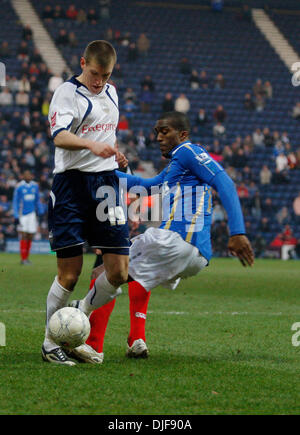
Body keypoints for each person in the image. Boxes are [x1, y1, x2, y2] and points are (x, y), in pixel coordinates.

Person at [66, 111, 254, 364]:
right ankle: (136, 339)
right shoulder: (175, 167)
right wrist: (102, 174)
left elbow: (225, 183)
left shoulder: (189, 151)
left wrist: (238, 231)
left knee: (105, 271)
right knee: (136, 278)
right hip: (194, 257)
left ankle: (88, 337)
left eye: (165, 131)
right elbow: (144, 186)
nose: (158, 137)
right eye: (156, 132)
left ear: (183, 134)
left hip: (176, 241)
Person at [41, 40, 129, 365]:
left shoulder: (112, 93)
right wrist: (92, 146)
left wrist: (115, 153)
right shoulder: (67, 93)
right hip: (71, 185)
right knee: (70, 273)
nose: (99, 82)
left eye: (105, 75)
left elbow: (107, 135)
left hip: (106, 185)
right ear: (82, 63)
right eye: (94, 74)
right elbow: (59, 136)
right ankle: (52, 343)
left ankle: (79, 313)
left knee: (119, 272)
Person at [12, 170, 44, 265]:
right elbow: (15, 202)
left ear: (32, 176)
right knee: (23, 235)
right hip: (22, 215)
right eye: (26, 174)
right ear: (23, 176)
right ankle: (23, 259)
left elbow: (37, 200)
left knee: (30, 236)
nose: (28, 176)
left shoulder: (35, 186)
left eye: (30, 174)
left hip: (32, 214)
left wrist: (41, 211)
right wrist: (16, 215)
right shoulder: (19, 186)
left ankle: (27, 258)